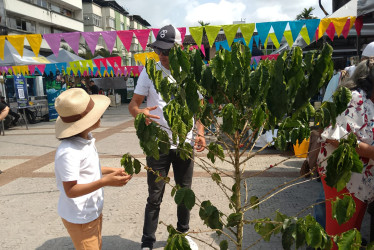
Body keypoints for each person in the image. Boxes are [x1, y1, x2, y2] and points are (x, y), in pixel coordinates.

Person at [128, 24, 206, 250]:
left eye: (168, 51)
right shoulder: (149, 70)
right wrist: (139, 112)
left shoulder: (190, 71)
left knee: (184, 191)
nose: (163, 55)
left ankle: (183, 234)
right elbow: (134, 104)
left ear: (178, 49)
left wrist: (199, 132)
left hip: (184, 142)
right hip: (159, 143)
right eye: (159, 50)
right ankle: (147, 242)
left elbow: (197, 108)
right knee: (154, 196)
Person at [54, 88, 132, 250]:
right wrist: (105, 182)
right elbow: (71, 190)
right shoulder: (69, 151)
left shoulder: (86, 140)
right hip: (80, 217)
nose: (100, 115)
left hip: (91, 211)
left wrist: (111, 171)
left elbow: (88, 169)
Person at [317, 58, 374, 248]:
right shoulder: (354, 98)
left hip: (360, 180)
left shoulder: (370, 100)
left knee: (351, 235)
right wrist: (371, 151)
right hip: (343, 178)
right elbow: (335, 136)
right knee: (339, 237)